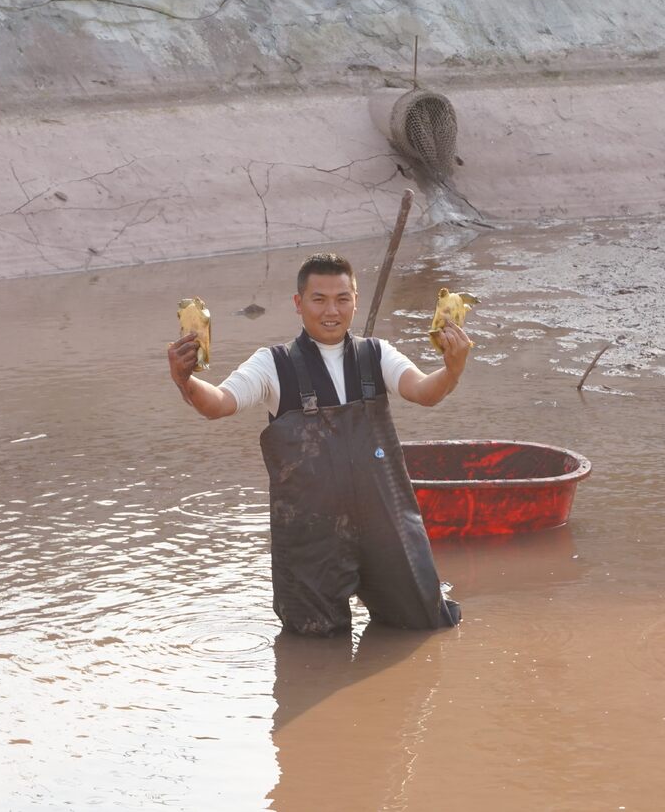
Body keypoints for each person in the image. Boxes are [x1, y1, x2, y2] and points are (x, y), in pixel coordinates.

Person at [167, 252, 467, 636]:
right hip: (311, 540)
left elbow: (424, 392)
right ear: (299, 304)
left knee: (424, 627)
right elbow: (219, 404)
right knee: (315, 649)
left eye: (342, 299)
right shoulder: (272, 364)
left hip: (387, 528)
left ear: (355, 301)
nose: (332, 311)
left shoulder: (376, 354)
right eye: (319, 299)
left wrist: (452, 369)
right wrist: (185, 381)